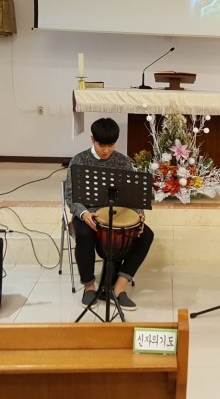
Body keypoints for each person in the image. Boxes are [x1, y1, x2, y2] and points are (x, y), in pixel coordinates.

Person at [64, 117, 154, 311]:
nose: (106, 150)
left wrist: (138, 215)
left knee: (146, 235)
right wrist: (84, 213)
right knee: (84, 234)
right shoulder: (78, 161)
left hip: (117, 215)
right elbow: (70, 196)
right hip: (88, 215)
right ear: (92, 140)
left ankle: (119, 287)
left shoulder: (123, 162)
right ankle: (89, 286)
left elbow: (134, 196)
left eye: (111, 145)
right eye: (101, 145)